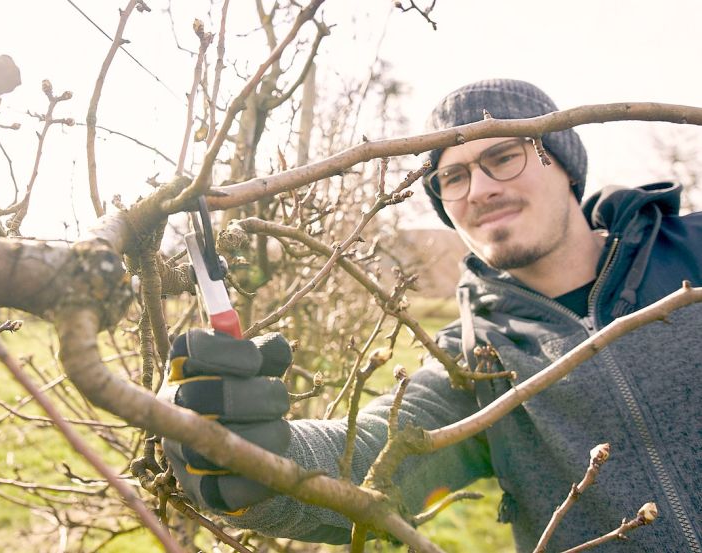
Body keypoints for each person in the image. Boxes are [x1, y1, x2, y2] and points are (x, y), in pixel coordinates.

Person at [162, 79, 702, 552]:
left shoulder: (695, 251)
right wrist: (250, 454)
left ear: (564, 164)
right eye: (455, 178)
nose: (482, 189)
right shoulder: (475, 357)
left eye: (504, 157)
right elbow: (375, 459)